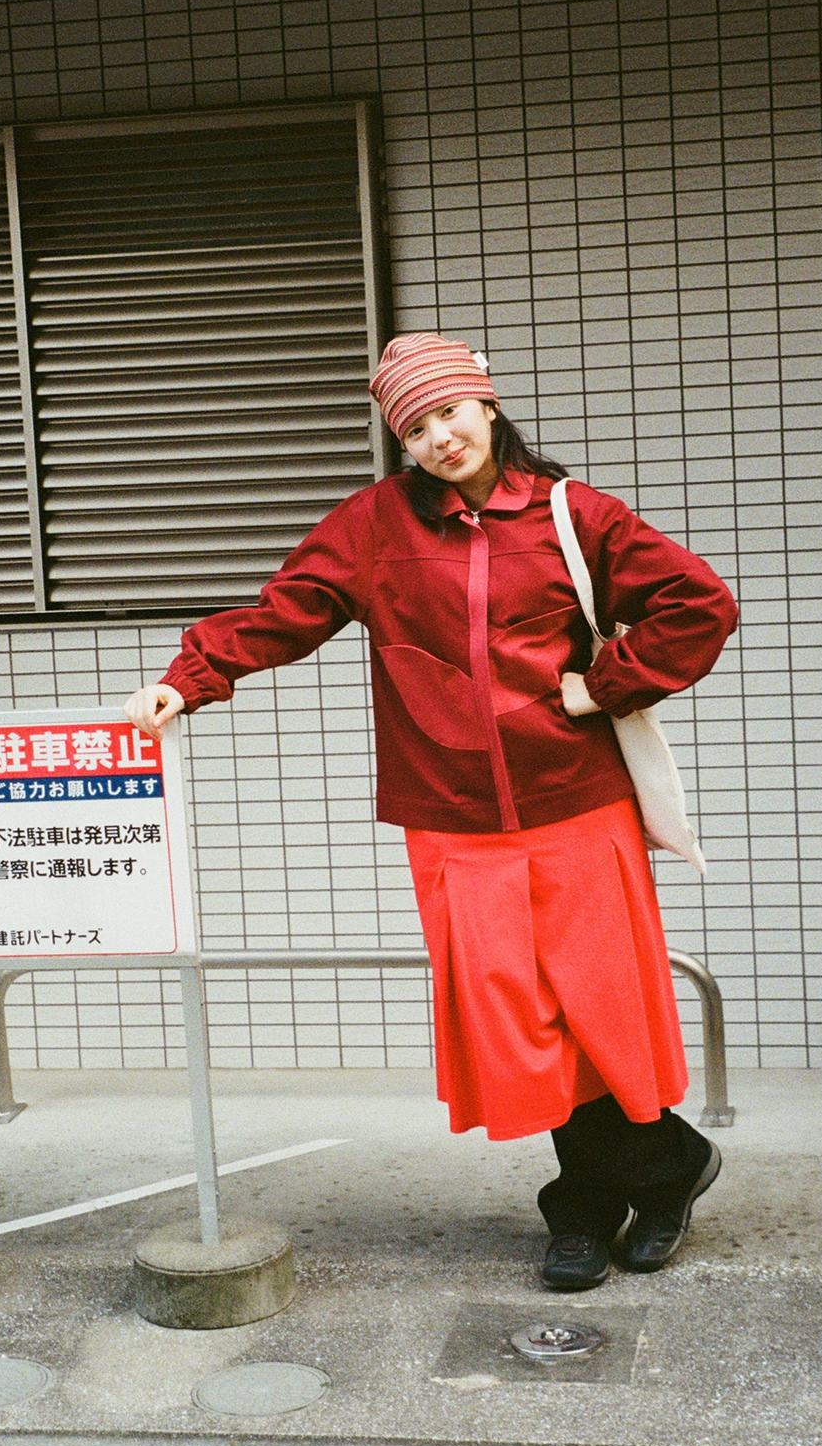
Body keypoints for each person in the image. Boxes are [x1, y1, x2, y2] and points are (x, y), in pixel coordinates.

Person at [125, 333, 739, 1290]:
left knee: (599, 1010)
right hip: (452, 817)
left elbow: (700, 604)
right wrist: (191, 677)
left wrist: (603, 684)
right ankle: (665, 1166)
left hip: (578, 804)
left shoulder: (574, 514)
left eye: (450, 411)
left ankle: (589, 1204)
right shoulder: (374, 526)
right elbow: (286, 609)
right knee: (521, 1022)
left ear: (487, 405)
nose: (439, 436)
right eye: (414, 427)